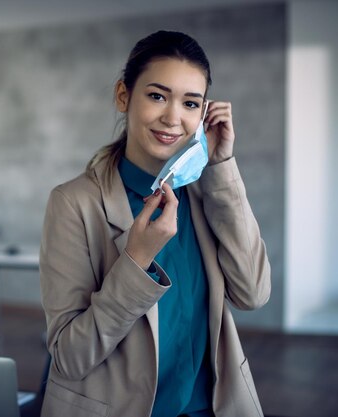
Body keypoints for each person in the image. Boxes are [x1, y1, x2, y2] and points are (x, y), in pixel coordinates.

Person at [39, 30, 271, 417]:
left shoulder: (204, 193)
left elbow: (253, 293)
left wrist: (221, 167)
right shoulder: (72, 203)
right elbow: (70, 357)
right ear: (123, 96)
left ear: (204, 113)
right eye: (157, 96)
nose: (173, 117)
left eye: (191, 103)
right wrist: (136, 260)